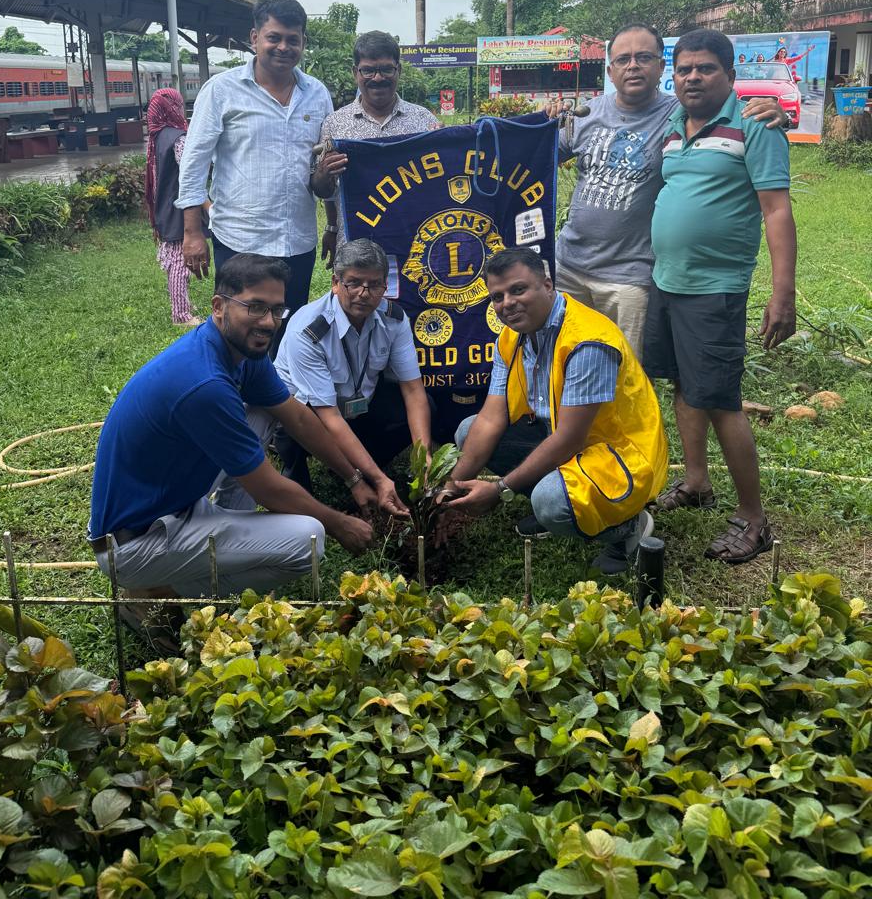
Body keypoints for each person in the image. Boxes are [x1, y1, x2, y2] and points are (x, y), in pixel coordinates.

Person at [88, 254, 373, 609]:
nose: (268, 322)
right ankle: (159, 596)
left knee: (264, 412)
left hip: (175, 504)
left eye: (276, 310)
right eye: (255, 307)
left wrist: (354, 479)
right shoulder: (204, 382)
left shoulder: (240, 352)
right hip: (136, 543)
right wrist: (338, 522)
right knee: (309, 539)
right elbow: (268, 489)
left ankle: (225, 526)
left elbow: (297, 419)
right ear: (219, 306)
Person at [645, 29, 796, 564]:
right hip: (668, 281)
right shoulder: (672, 123)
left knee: (722, 400)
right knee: (684, 385)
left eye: (705, 68)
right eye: (683, 69)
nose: (692, 77)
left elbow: (776, 210)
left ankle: (754, 520)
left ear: (729, 75)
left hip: (716, 290)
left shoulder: (756, 125)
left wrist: (783, 295)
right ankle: (696, 482)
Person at [551, 24, 787, 358]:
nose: (633, 66)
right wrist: (544, 119)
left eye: (644, 57)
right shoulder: (586, 114)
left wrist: (777, 114)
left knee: (624, 375)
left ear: (661, 68)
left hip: (630, 274)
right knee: (560, 361)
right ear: (610, 70)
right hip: (569, 266)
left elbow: (726, 110)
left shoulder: (678, 114)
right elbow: (536, 158)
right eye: (623, 59)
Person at [440, 248, 668, 574]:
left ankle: (627, 527)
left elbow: (569, 439)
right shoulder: (510, 336)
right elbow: (491, 418)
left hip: (618, 454)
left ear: (547, 285)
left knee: (549, 502)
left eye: (518, 290)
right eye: (497, 297)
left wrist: (500, 489)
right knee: (469, 430)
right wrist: (452, 486)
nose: (507, 303)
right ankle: (557, 493)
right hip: (560, 435)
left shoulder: (587, 341)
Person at [176, 0, 333, 326]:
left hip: (297, 241)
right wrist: (192, 234)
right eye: (273, 37)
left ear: (303, 42)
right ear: (254, 39)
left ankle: (276, 380)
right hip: (240, 240)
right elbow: (194, 162)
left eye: (293, 40)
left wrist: (332, 225)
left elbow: (326, 165)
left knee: (286, 328)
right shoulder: (222, 90)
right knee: (239, 330)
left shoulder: (317, 94)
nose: (283, 47)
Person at [272, 238, 432, 499]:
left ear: (385, 286)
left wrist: (424, 463)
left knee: (425, 408)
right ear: (336, 283)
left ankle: (363, 462)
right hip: (313, 410)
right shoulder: (308, 330)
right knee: (292, 424)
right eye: (354, 283)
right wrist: (377, 481)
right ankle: (305, 475)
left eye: (374, 284)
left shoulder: (394, 318)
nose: (364, 293)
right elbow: (330, 417)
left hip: (358, 406)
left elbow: (413, 390)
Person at [311, 30, 438, 247]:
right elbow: (324, 191)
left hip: (414, 244)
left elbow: (438, 183)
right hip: (356, 249)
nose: (378, 78)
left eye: (387, 69)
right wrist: (324, 172)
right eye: (368, 71)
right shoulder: (335, 124)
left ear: (399, 70)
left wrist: (443, 142)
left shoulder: (424, 121)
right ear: (355, 72)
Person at [144, 87, 203, 326]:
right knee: (180, 261)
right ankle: (181, 315)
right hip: (179, 206)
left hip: (162, 204)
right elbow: (189, 170)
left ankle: (183, 303)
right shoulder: (178, 137)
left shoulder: (156, 136)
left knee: (174, 258)